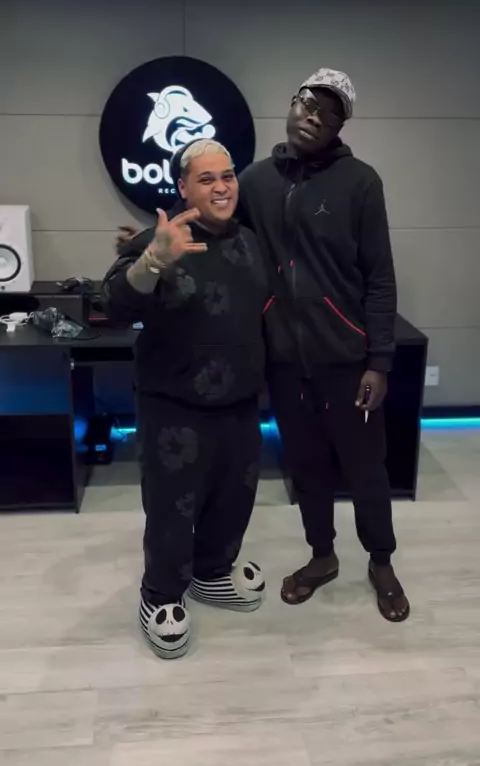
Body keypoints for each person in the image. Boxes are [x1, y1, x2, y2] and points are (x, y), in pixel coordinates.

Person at [237, 67, 409, 622]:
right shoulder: (255, 182)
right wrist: (147, 245)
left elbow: (380, 278)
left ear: (340, 128)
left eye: (330, 114)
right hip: (286, 362)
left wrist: (379, 362)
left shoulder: (361, 183)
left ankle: (381, 561)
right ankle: (322, 556)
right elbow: (213, 233)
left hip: (347, 361)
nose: (315, 117)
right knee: (307, 466)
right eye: (309, 104)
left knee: (366, 470)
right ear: (292, 103)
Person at [103, 139, 268, 659]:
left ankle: (213, 573)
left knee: (233, 499)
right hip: (174, 407)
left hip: (240, 403)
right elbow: (114, 302)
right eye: (206, 178)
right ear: (182, 187)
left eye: (228, 175)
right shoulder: (163, 239)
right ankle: (161, 597)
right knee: (172, 511)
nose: (221, 187)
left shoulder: (250, 241)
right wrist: (152, 260)